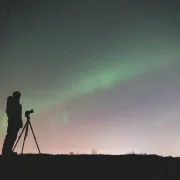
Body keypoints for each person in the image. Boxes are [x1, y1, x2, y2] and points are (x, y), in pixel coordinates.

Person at [2, 91, 23, 156]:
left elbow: (19, 115)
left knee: (13, 137)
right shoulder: (12, 103)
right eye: (18, 96)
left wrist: (20, 122)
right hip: (13, 123)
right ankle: (6, 151)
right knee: (10, 137)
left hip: (15, 123)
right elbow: (9, 112)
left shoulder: (17, 104)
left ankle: (8, 150)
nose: (19, 97)